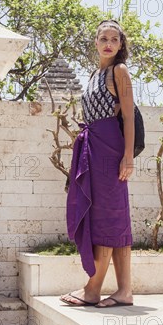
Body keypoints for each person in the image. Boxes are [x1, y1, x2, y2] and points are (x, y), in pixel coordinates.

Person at [60, 19, 135, 308]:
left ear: (120, 44)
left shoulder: (120, 71)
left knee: (106, 216)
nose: (108, 43)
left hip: (111, 149)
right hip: (93, 146)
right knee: (114, 218)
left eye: (114, 39)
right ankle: (124, 291)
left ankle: (93, 289)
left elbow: (127, 116)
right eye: (103, 38)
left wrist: (128, 156)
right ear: (95, 42)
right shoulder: (94, 74)